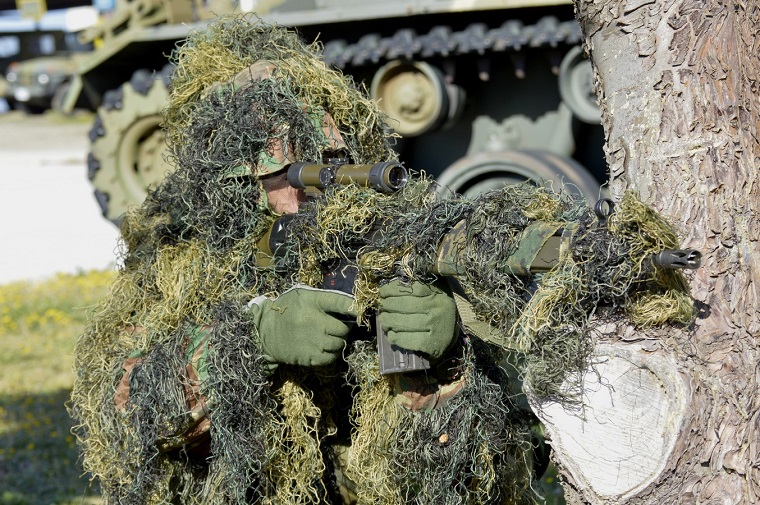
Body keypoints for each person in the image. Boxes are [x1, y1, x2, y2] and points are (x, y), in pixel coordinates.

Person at [71, 15, 539, 504]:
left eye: (325, 170)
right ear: (227, 181)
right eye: (280, 174)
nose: (303, 195)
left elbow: (496, 463)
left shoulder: (383, 236)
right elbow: (122, 409)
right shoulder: (179, 254)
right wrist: (250, 340)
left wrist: (445, 366)